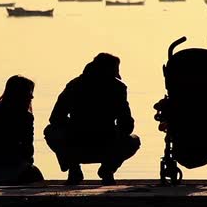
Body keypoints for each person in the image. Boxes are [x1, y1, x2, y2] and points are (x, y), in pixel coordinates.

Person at [44, 53, 140, 185]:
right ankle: (108, 170)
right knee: (133, 141)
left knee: (50, 131)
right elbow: (126, 124)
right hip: (107, 144)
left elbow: (55, 118)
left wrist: (72, 127)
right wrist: (118, 132)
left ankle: (73, 168)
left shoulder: (74, 85)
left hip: (75, 144)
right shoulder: (118, 88)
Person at [0, 75, 44, 185]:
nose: (31, 98)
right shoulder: (26, 117)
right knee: (35, 175)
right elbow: (28, 150)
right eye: (29, 95)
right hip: (11, 170)